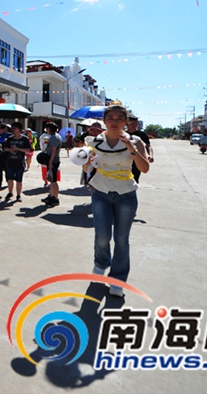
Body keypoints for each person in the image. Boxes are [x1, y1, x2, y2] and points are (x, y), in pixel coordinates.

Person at [85, 104, 149, 297]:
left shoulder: (135, 141)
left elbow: (144, 168)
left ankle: (117, 280)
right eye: (110, 118)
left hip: (126, 194)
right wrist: (86, 164)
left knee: (122, 239)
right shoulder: (94, 141)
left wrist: (131, 149)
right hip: (101, 192)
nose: (114, 122)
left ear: (126, 122)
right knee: (102, 236)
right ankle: (101, 264)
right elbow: (87, 168)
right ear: (104, 121)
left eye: (119, 118)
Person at [3, 122, 32, 202]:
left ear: (19, 129)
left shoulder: (24, 139)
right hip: (10, 161)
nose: (13, 129)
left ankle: (18, 195)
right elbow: (5, 148)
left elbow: (28, 149)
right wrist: (10, 149)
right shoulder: (10, 138)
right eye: (12, 128)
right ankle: (10, 192)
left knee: (19, 180)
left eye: (15, 128)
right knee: (10, 179)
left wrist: (18, 149)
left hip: (20, 162)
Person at [127, 115, 154, 183]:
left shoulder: (142, 134)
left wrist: (150, 155)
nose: (133, 125)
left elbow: (148, 146)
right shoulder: (123, 134)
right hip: (125, 159)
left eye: (135, 123)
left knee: (135, 179)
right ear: (126, 123)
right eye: (131, 123)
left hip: (137, 160)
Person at [42, 122, 63, 207]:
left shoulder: (54, 137)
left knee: (53, 180)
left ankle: (55, 198)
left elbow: (54, 150)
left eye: (47, 129)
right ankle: (52, 196)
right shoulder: (56, 136)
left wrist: (50, 162)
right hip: (54, 160)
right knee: (52, 180)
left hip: (53, 160)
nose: (46, 130)